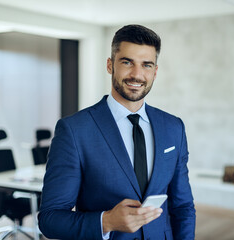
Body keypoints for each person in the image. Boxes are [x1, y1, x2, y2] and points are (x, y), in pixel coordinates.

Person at [38, 24, 196, 240]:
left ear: (155, 71)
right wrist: (107, 221)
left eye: (146, 65)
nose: (137, 74)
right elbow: (50, 219)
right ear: (110, 65)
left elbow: (183, 207)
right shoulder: (74, 130)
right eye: (127, 62)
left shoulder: (173, 127)